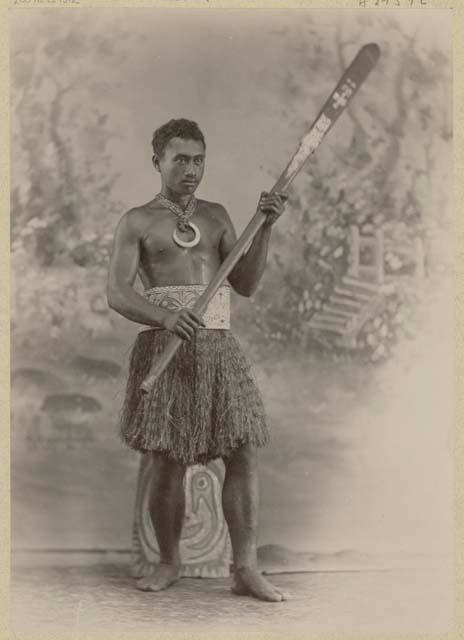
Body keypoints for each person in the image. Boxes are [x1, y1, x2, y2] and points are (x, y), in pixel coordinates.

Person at [107, 118, 288, 602]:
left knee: (243, 450)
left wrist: (265, 227)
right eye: (181, 159)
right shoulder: (138, 221)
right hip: (164, 349)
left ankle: (245, 568)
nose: (191, 169)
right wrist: (165, 319)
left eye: (198, 159)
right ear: (157, 162)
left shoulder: (217, 216)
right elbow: (117, 292)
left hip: (218, 348)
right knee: (167, 459)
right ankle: (170, 562)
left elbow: (245, 284)